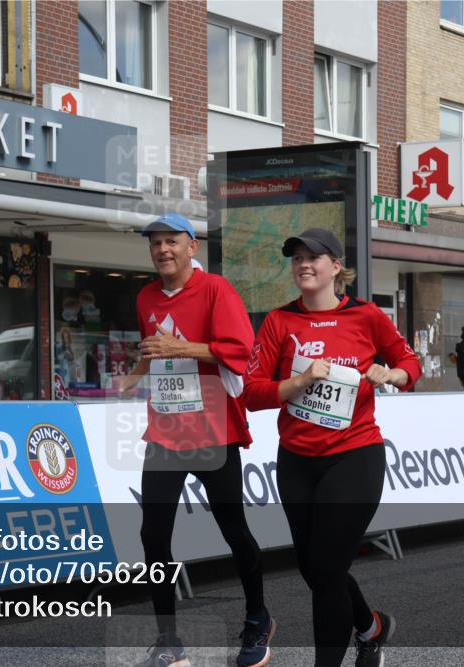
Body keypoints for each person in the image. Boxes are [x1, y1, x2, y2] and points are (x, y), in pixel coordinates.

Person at [242, 228, 421, 667]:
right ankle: (371, 628)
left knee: (325, 568)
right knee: (315, 568)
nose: (304, 264)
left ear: (336, 267)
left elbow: (409, 363)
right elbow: (251, 392)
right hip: (297, 460)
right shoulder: (279, 322)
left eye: (314, 257)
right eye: (297, 258)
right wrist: (300, 381)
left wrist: (391, 375)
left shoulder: (366, 316)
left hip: (355, 455)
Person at [115, 213, 272, 667]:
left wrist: (180, 348)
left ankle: (258, 618)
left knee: (233, 529)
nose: (162, 249)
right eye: (155, 243)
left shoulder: (215, 289)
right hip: (165, 431)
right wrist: (134, 375)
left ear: (192, 247)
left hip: (213, 430)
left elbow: (241, 351)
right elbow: (153, 347)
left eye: (171, 241)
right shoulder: (146, 296)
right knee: (152, 534)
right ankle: (169, 642)